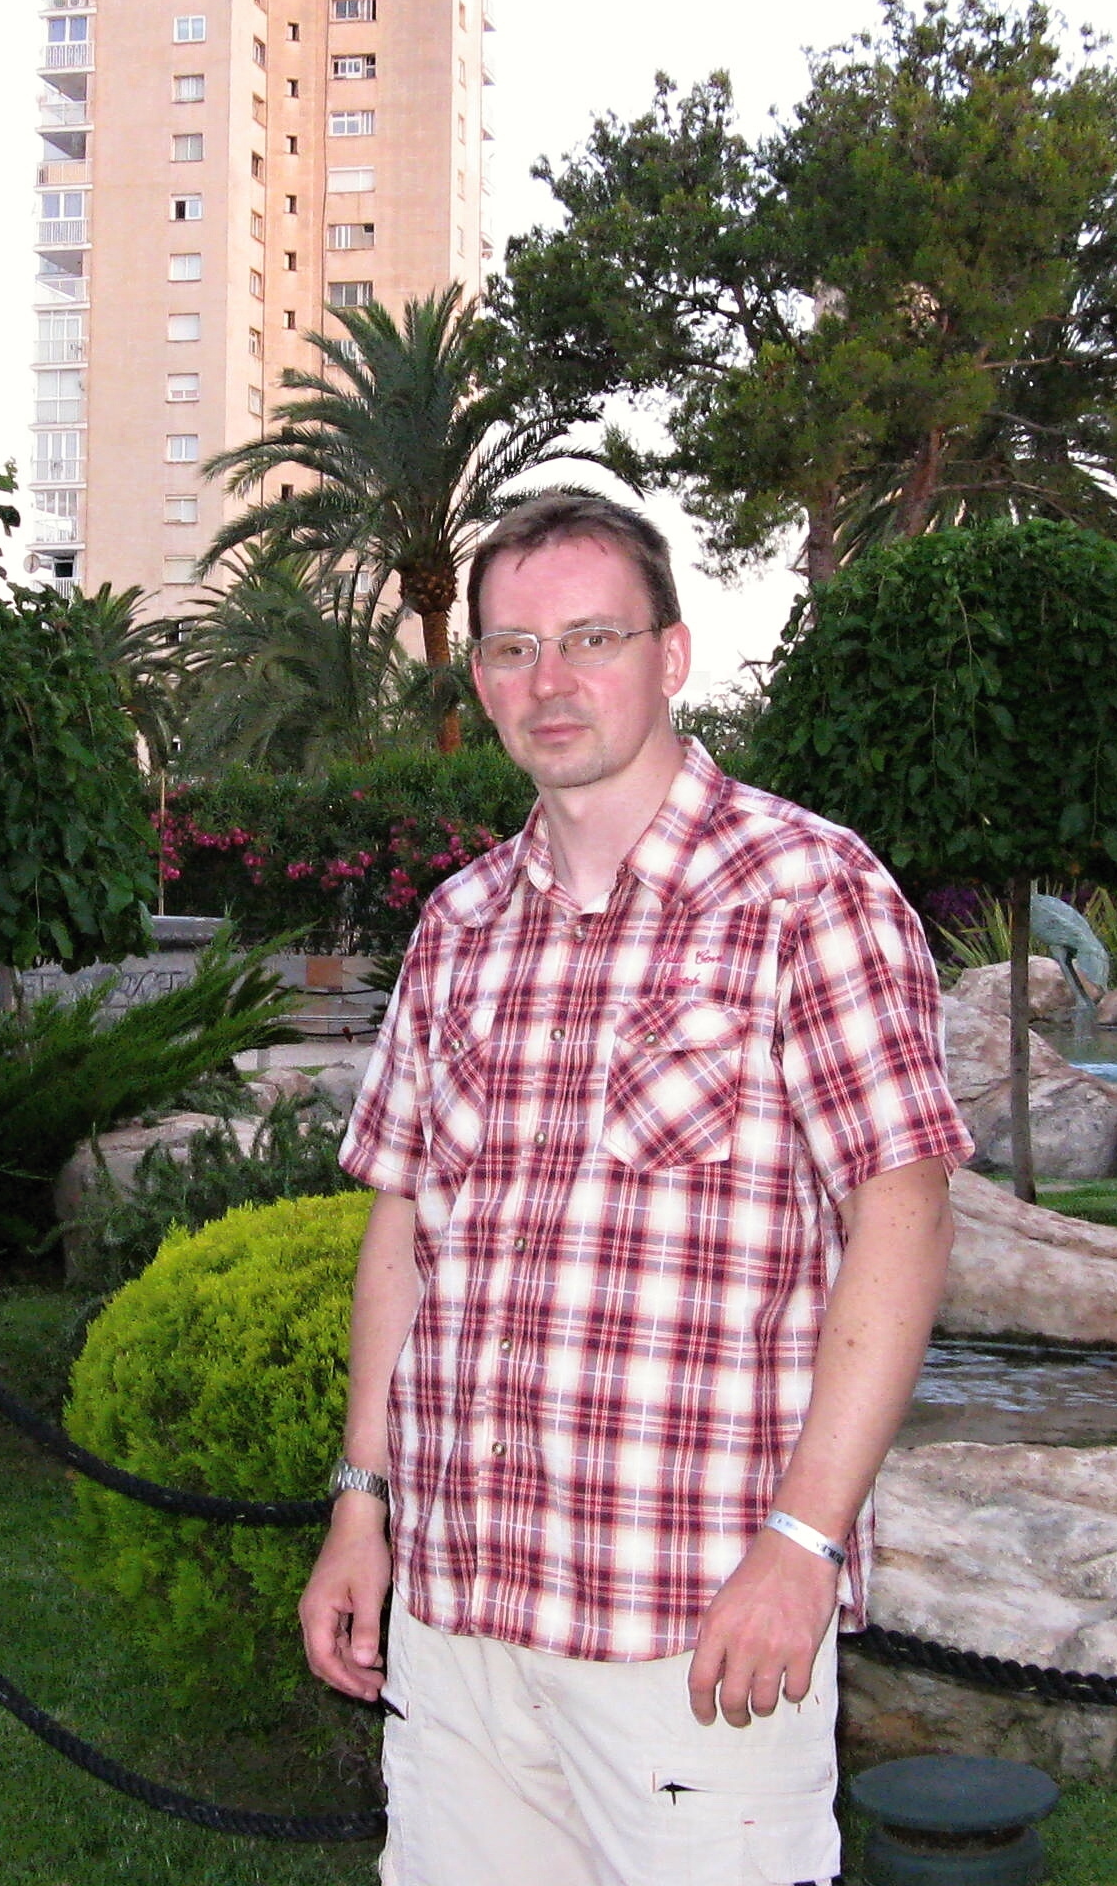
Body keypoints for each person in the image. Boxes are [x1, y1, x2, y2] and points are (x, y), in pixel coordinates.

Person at [302, 491, 970, 1886]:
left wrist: (804, 1542)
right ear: (479, 679)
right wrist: (362, 1502)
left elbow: (900, 1223)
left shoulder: (809, 893)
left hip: (692, 1631)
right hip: (462, 1625)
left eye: (590, 639)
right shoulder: (458, 927)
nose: (549, 681)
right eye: (510, 649)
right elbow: (403, 1231)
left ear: (671, 656)